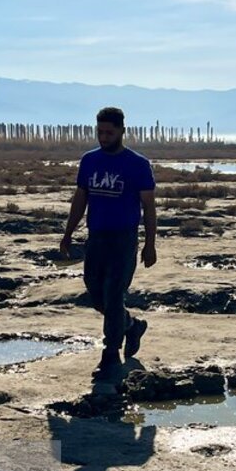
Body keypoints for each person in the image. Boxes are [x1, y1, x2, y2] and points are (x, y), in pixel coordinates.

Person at [60, 106, 157, 375]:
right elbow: (81, 199)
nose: (103, 137)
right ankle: (131, 325)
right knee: (96, 294)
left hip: (124, 240)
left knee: (114, 294)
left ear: (121, 131)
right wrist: (68, 233)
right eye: (100, 132)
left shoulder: (138, 165)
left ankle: (110, 353)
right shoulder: (90, 161)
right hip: (97, 238)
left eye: (109, 132)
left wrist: (150, 243)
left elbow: (148, 207)